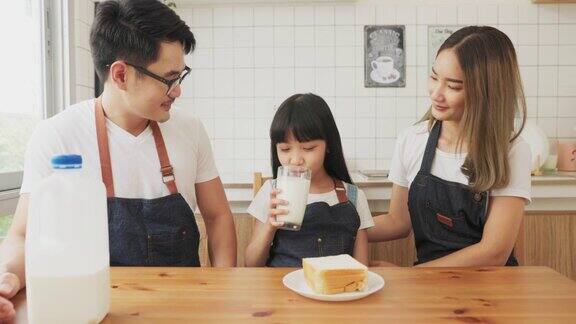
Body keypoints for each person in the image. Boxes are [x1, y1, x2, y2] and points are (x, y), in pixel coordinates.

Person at [0, 0, 237, 320]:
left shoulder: (190, 130)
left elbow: (218, 215)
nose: (177, 91)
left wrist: (223, 288)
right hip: (96, 311)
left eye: (181, 76)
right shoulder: (56, 136)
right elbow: (23, 236)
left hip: (187, 308)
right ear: (121, 74)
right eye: (169, 79)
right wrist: (7, 279)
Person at [368, 26, 531, 267]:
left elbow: (493, 252)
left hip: (492, 291)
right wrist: (341, 226)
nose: (436, 93)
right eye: (434, 77)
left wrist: (411, 277)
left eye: (453, 86)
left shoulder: (511, 151)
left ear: (486, 93)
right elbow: (398, 222)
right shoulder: (412, 139)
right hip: (427, 288)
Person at [245, 93, 374, 267]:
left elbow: (361, 269)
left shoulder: (354, 196)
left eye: (308, 148)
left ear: (328, 145)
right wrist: (270, 226)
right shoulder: (271, 191)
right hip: (281, 291)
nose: (296, 160)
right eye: (285, 149)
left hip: (333, 291)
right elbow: (251, 264)